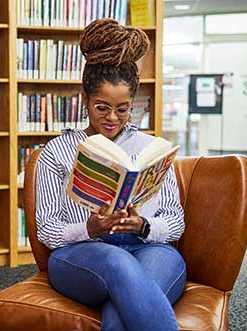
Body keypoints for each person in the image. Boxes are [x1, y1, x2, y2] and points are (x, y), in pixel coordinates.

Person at [36, 18, 186, 331]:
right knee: (119, 265)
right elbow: (47, 230)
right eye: (102, 108)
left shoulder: (152, 150)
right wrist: (90, 228)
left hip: (147, 248)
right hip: (81, 254)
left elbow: (175, 221)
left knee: (121, 310)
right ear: (85, 99)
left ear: (133, 104)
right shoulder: (56, 151)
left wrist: (143, 225)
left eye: (123, 109)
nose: (112, 119)